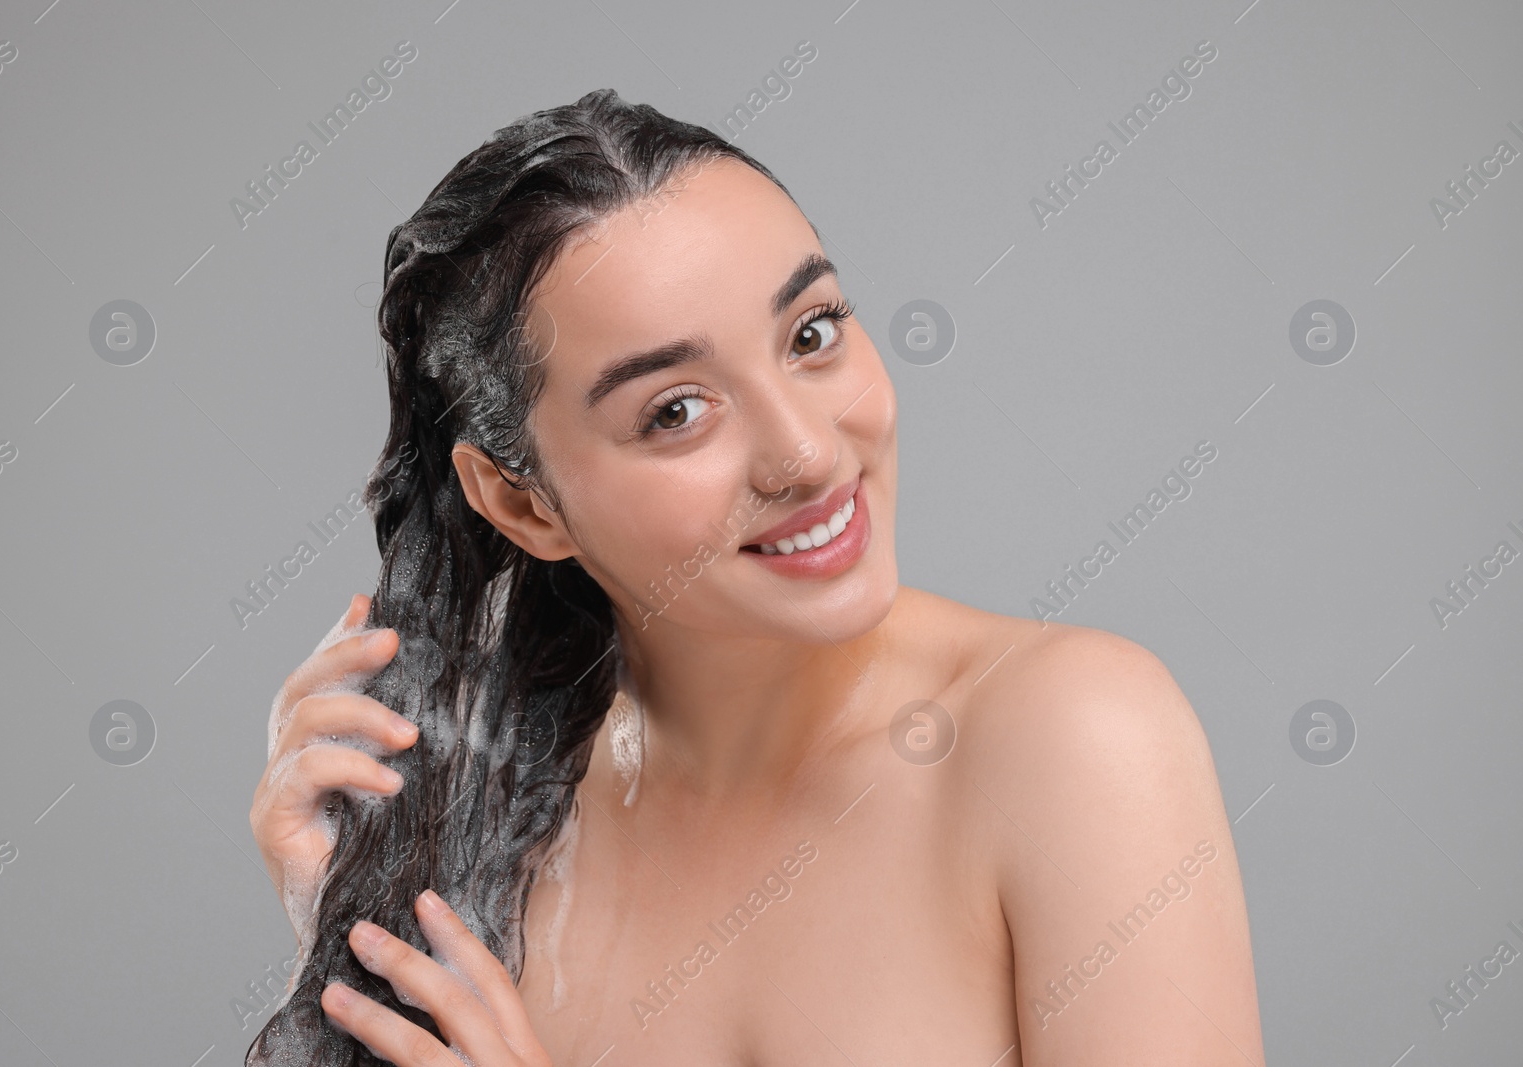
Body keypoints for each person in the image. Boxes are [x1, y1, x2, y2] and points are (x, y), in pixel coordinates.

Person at [248, 88, 1265, 1066]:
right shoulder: (485, 825)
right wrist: (342, 932)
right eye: (675, 410)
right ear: (524, 503)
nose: (808, 453)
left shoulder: (1071, 738)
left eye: (811, 334)